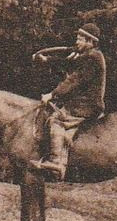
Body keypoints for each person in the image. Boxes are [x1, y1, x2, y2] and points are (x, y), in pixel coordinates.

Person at [28, 23, 107, 180]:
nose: (77, 42)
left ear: (90, 42)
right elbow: (67, 62)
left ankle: (56, 162)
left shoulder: (92, 58)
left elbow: (74, 80)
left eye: (80, 39)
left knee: (56, 120)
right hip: (82, 103)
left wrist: (52, 94)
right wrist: (46, 60)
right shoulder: (88, 55)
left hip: (86, 105)